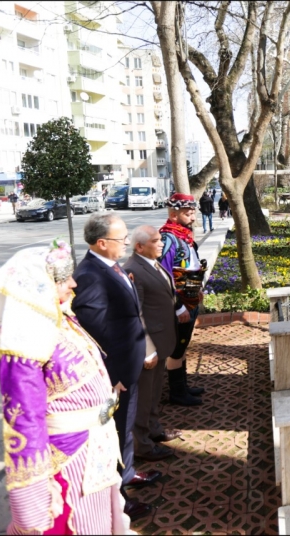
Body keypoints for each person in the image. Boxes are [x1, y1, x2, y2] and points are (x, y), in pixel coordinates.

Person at [0, 240, 131, 534]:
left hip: (95, 448)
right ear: (37, 288)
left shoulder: (58, 318)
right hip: (67, 460)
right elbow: (23, 419)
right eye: (62, 279)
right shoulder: (20, 342)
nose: (73, 283)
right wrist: (33, 494)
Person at [71, 213, 159, 521]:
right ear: (101, 242)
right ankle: (118, 500)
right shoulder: (89, 275)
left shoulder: (111, 265)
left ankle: (128, 472)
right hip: (116, 373)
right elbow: (95, 330)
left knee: (126, 427)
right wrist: (113, 375)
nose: (126, 243)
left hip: (129, 364)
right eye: (121, 239)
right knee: (115, 433)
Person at [123, 225, 184, 460]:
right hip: (149, 346)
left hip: (162, 341)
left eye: (160, 240)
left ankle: (154, 430)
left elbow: (165, 294)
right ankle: (143, 446)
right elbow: (135, 313)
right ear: (140, 247)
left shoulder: (152, 263)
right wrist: (147, 350)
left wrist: (178, 309)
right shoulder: (133, 269)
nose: (162, 244)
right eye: (155, 241)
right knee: (144, 398)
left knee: (155, 392)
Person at [159, 193, 207, 406]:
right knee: (177, 348)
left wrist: (198, 289)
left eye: (193, 212)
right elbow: (164, 275)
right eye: (188, 214)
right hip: (179, 303)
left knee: (184, 343)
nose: (193, 217)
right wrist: (177, 306)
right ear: (173, 215)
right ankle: (177, 392)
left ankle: (183, 386)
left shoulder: (184, 236)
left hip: (191, 298)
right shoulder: (168, 239)